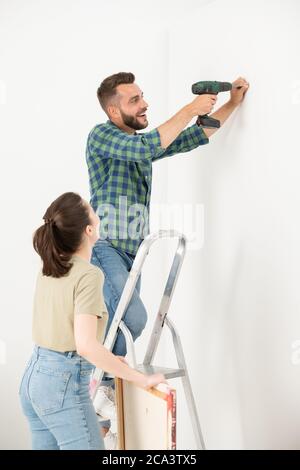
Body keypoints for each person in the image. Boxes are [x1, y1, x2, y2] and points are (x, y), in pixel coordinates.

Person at [86, 72, 249, 437]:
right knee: (132, 319)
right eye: (134, 100)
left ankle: (99, 394)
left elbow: (193, 137)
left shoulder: (141, 142)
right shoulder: (102, 136)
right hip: (104, 247)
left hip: (134, 254)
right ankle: (100, 385)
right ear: (113, 112)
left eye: (142, 95)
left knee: (124, 326)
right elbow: (145, 148)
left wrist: (230, 104)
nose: (144, 103)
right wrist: (190, 107)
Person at [19, 191, 165, 450]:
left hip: (34, 379)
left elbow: (68, 335)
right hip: (62, 385)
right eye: (90, 207)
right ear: (89, 229)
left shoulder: (49, 266)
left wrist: (109, 360)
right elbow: (84, 345)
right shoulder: (89, 275)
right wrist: (139, 378)